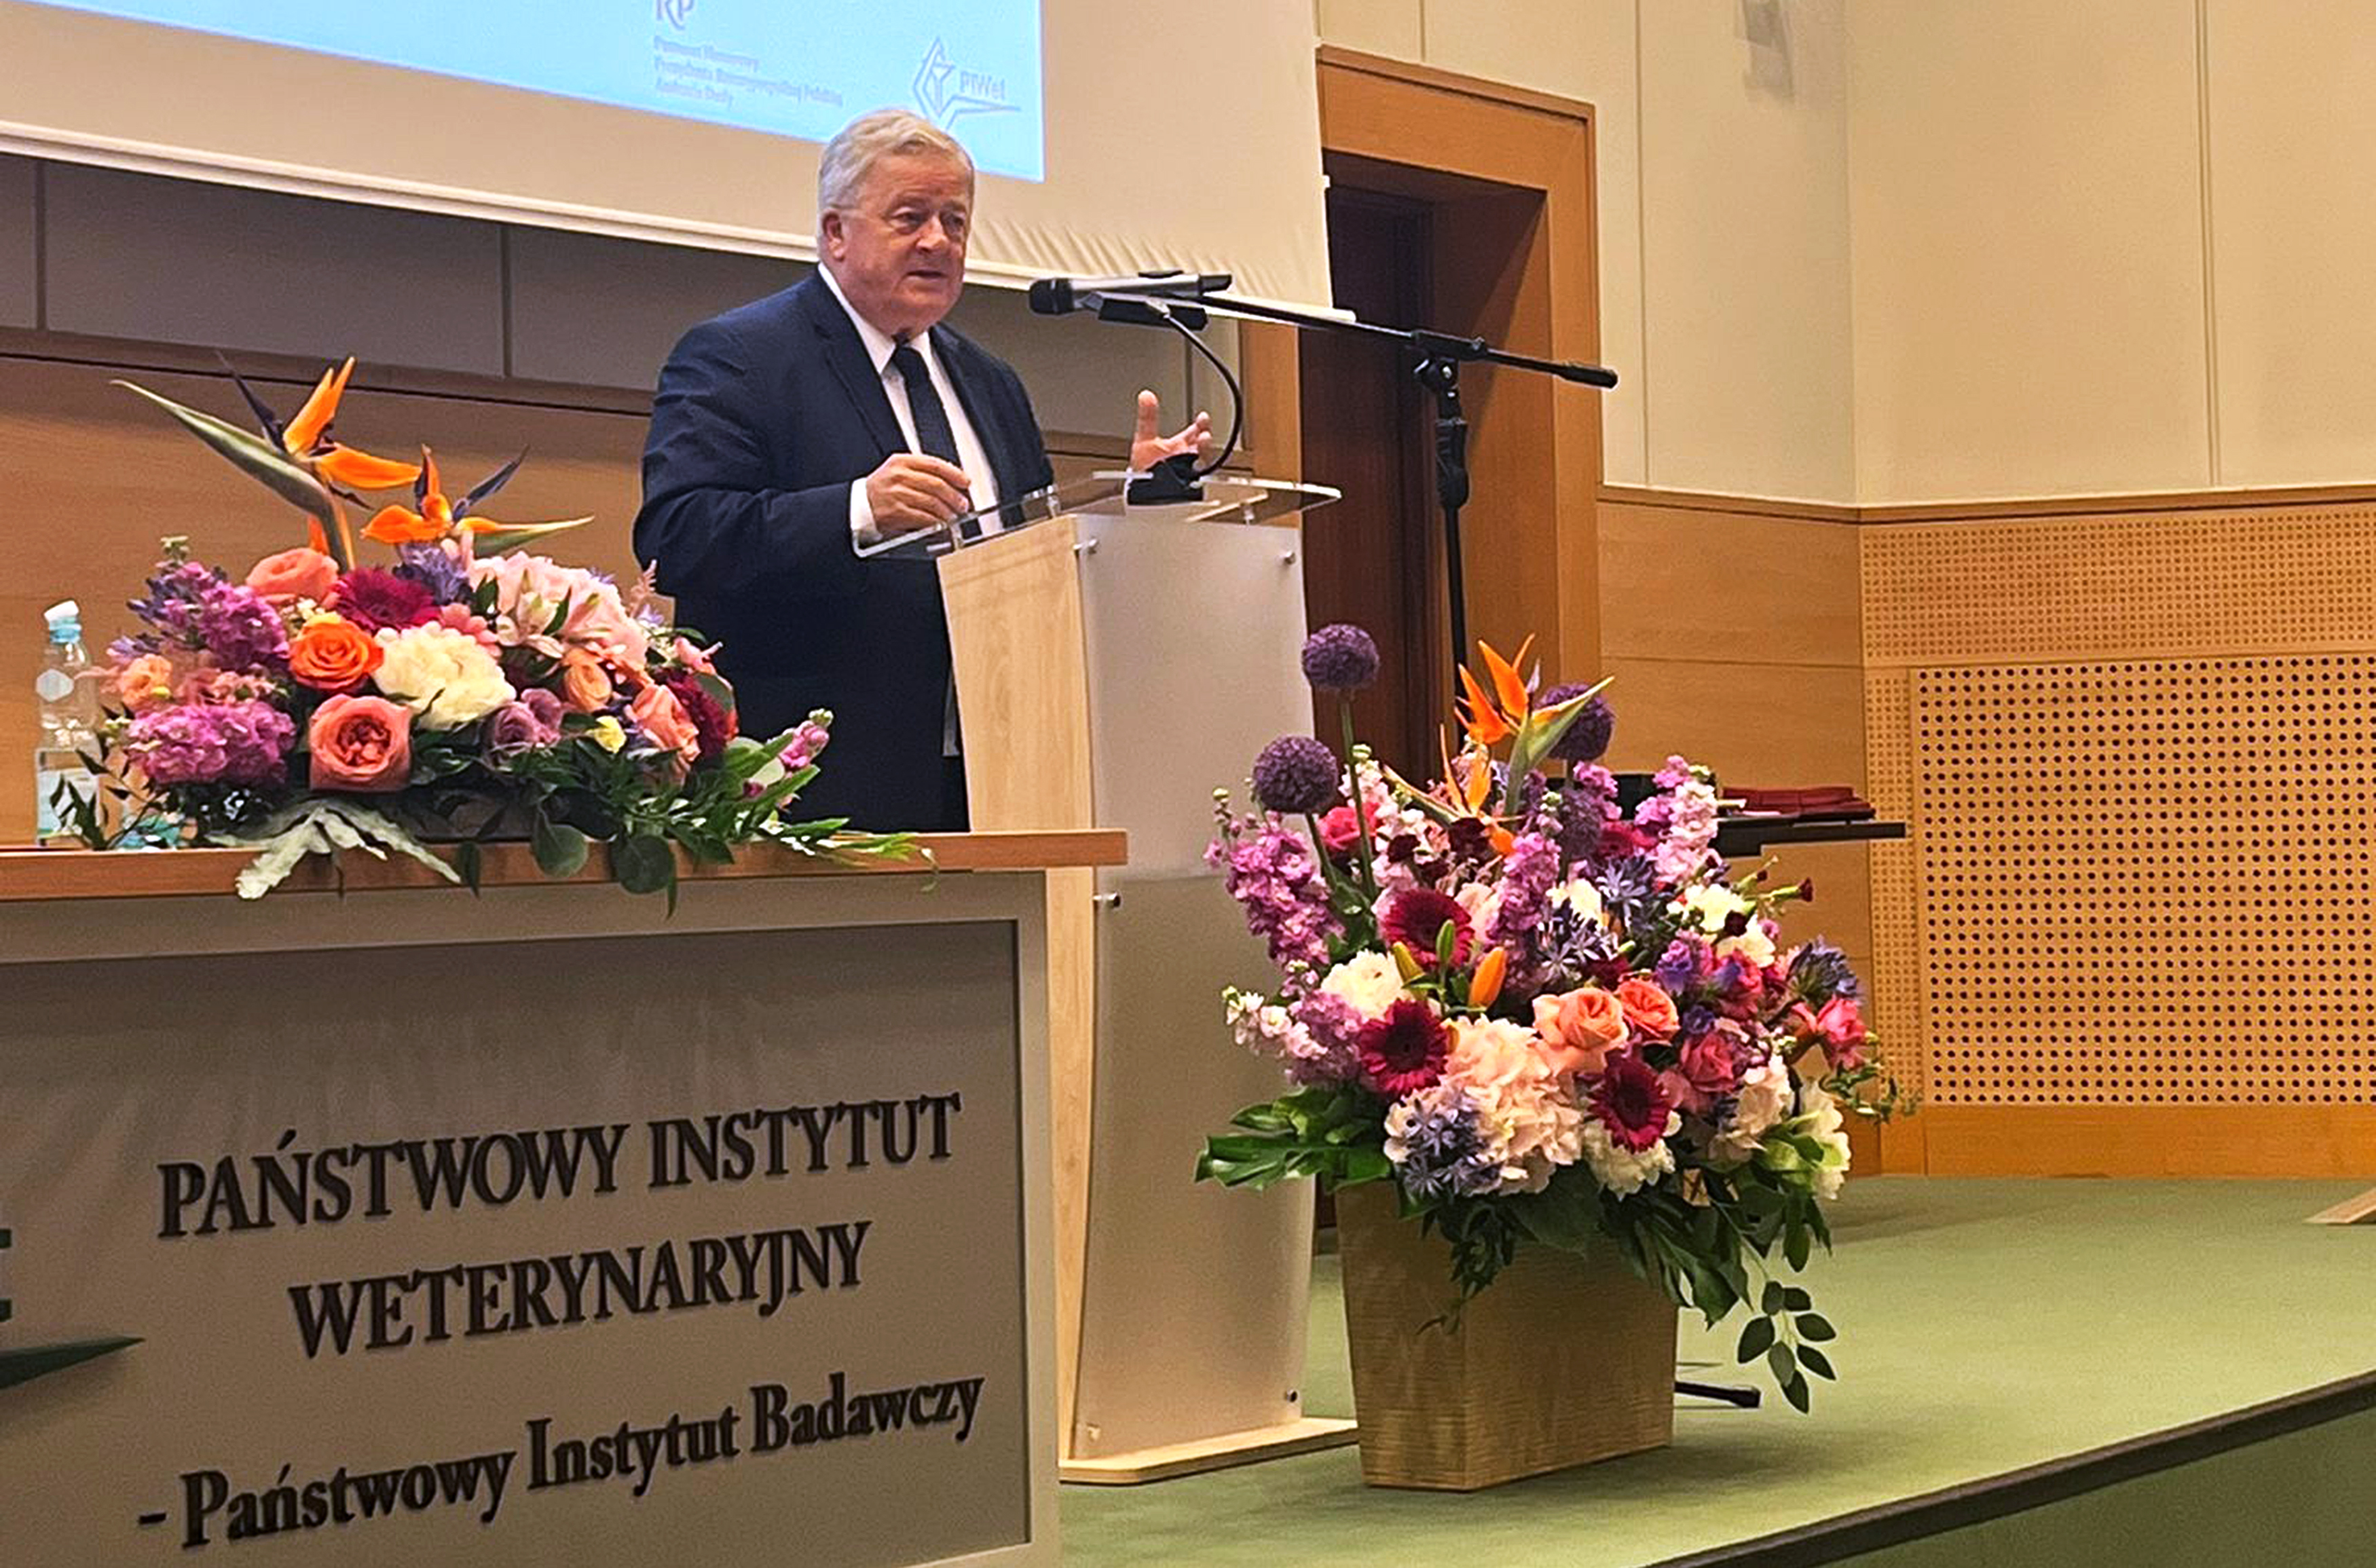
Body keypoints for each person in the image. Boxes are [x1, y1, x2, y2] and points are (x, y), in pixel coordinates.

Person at [635, 108, 1210, 832]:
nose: (938, 240)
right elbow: (678, 538)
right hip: (816, 787)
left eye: (955, 221)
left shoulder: (990, 381)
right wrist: (856, 509)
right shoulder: (741, 355)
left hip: (999, 770)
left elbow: (1028, 553)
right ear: (835, 233)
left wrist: (1123, 508)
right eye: (910, 217)